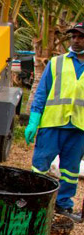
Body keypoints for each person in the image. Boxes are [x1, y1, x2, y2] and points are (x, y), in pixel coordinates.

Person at [25, 21, 84, 218]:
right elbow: (41, 93)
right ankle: (34, 200)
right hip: (52, 125)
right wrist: (34, 120)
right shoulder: (56, 63)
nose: (75, 40)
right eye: (73, 36)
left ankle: (63, 205)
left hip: (78, 128)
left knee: (70, 171)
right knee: (40, 165)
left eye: (80, 37)